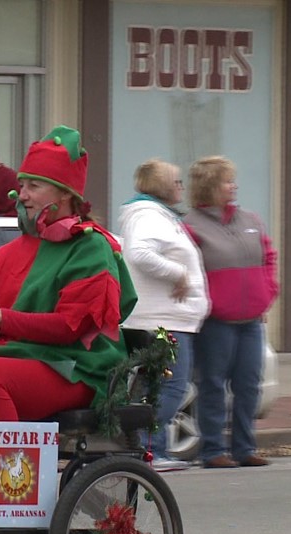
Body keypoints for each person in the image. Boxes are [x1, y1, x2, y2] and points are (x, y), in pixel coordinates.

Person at [0, 125, 137, 454]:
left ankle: (12, 489)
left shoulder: (90, 246)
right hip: (25, 360)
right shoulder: (13, 250)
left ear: (64, 194)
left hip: (74, 368)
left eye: (33, 186)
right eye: (21, 186)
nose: (21, 195)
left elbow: (71, 326)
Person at [184, 156, 279, 468]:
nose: (233, 186)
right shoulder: (190, 226)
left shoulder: (249, 219)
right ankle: (213, 450)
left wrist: (267, 293)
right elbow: (187, 270)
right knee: (212, 384)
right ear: (211, 187)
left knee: (249, 383)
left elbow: (268, 256)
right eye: (227, 181)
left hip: (251, 320)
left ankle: (244, 447)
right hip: (215, 323)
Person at [119, 159, 210, 472]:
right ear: (162, 186)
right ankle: (151, 451)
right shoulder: (148, 216)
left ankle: (144, 449)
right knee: (171, 386)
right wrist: (178, 274)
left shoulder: (156, 215)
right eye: (177, 181)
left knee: (153, 388)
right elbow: (139, 253)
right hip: (163, 321)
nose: (181, 187)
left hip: (164, 319)